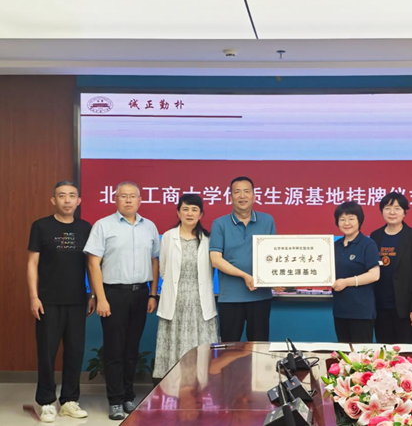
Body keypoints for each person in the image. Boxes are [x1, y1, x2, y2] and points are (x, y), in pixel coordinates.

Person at [84, 181, 160, 420]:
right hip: (113, 294)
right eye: (123, 196)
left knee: (131, 348)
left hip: (141, 293)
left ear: (140, 200)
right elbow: (93, 264)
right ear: (115, 199)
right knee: (115, 349)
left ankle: (128, 396)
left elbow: (155, 260)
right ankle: (115, 400)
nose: (128, 200)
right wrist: (101, 298)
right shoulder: (103, 225)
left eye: (133, 196)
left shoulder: (149, 227)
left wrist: (153, 293)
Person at [27, 181, 93, 423]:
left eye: (72, 195)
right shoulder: (41, 226)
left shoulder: (86, 228)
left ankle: (69, 401)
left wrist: (92, 294)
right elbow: (32, 263)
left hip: (77, 300)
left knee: (75, 352)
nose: (67, 200)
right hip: (48, 301)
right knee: (47, 352)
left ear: (79, 201)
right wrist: (34, 296)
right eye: (62, 196)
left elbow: (91, 265)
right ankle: (46, 401)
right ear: (53, 200)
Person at [153, 194, 219, 380]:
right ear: (178, 212)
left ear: (201, 214)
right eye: (185, 209)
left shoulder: (208, 239)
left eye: (194, 210)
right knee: (175, 347)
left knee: (201, 349)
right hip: (176, 302)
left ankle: (200, 387)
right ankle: (173, 387)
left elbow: (212, 269)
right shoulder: (168, 236)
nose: (189, 213)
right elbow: (163, 269)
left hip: (200, 303)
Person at [209, 176, 280, 342]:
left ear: (254, 196)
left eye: (247, 191)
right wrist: (245, 276)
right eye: (237, 192)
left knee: (259, 347)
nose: (242, 196)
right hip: (230, 297)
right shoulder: (220, 224)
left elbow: (274, 254)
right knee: (229, 348)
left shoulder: (267, 220)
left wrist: (276, 279)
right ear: (230, 197)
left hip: (260, 296)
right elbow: (216, 260)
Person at [369, 192, 412, 344]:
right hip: (380, 306)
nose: (392, 212)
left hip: (406, 308)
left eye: (397, 208)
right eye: (387, 208)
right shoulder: (375, 236)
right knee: (383, 352)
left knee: (405, 352)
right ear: (382, 211)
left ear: (404, 212)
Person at [332, 202, 380, 343]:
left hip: (361, 311)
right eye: (342, 219)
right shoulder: (335, 246)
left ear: (359, 220)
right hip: (340, 310)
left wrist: (346, 282)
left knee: (361, 353)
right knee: (343, 352)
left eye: (351, 218)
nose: (346, 223)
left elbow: (374, 275)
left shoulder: (368, 244)